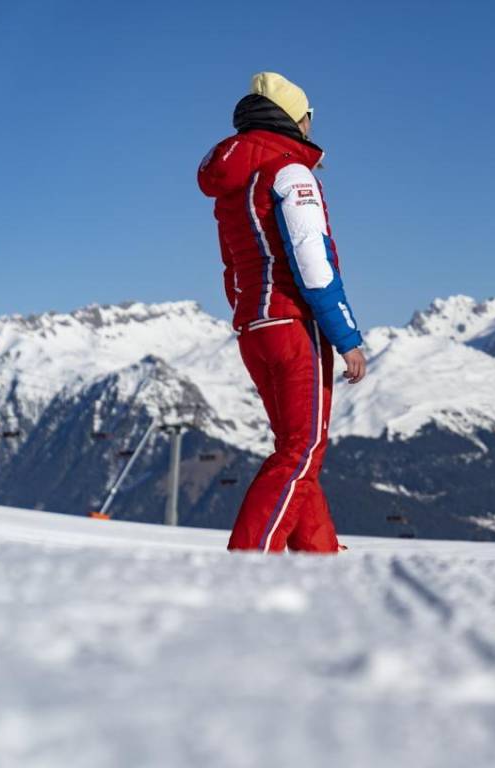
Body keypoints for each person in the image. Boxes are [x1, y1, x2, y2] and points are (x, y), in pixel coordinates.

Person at [198, 72, 366, 553]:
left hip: (255, 325)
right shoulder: (291, 173)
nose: (312, 125)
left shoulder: (234, 182)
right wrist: (346, 336)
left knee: (295, 447)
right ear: (294, 119)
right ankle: (249, 562)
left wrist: (252, 313)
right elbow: (313, 261)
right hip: (293, 325)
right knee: (302, 450)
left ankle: (320, 560)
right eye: (309, 116)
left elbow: (233, 267)